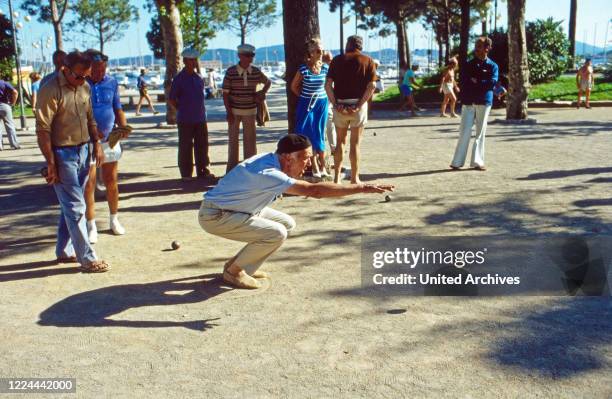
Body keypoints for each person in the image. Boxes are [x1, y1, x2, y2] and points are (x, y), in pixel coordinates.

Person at [198, 134, 394, 289]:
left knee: (287, 224)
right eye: (305, 158)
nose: (308, 164)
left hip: (239, 210)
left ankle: (239, 265)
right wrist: (361, 187)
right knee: (276, 233)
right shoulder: (270, 173)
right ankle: (234, 272)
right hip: (216, 215)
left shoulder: (271, 159)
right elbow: (314, 191)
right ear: (287, 157)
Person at [35, 50, 109, 273]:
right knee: (75, 206)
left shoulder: (84, 86)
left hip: (85, 150)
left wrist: (96, 144)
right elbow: (42, 129)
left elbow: (90, 118)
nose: (83, 80)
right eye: (79, 76)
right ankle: (87, 258)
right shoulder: (49, 89)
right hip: (62, 154)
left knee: (72, 204)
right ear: (65, 69)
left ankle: (64, 250)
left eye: (86, 76)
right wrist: (50, 162)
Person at [83, 50, 130, 243]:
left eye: (102, 70)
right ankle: (91, 224)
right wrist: (93, 132)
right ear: (89, 68)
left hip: (110, 140)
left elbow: (117, 107)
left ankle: (114, 220)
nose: (99, 74)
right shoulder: (82, 84)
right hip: (88, 140)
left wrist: (123, 126)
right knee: (90, 184)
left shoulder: (111, 82)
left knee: (112, 181)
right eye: (96, 70)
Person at [325, 35, 377, 185]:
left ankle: (336, 179)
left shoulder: (336, 61)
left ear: (347, 44)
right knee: (355, 144)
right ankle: (355, 178)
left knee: (340, 142)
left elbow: (328, 85)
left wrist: (335, 104)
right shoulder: (368, 61)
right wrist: (360, 105)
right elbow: (372, 86)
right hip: (357, 107)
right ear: (360, 45)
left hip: (340, 105)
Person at [450, 37, 499, 171]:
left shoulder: (493, 66)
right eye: (476, 45)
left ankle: (478, 162)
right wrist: (480, 82)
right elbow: (465, 82)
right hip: (468, 102)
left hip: (484, 101)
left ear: (487, 48)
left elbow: (492, 83)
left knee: (480, 132)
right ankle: (457, 162)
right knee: (464, 131)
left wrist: (477, 81)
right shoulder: (468, 64)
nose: (476, 48)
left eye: (479, 46)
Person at [222, 44, 272, 172]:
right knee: (233, 142)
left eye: (252, 55)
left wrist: (262, 92)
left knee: (250, 142)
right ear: (240, 56)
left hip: (250, 111)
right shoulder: (231, 72)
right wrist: (228, 112)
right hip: (234, 111)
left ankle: (250, 169)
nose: (251, 58)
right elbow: (225, 94)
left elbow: (268, 82)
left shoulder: (255, 71)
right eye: (248, 55)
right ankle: (231, 170)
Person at [169, 47, 214, 182]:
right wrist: (181, 109)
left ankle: (203, 170)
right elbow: (172, 99)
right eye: (191, 60)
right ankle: (186, 173)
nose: (193, 63)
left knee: (202, 145)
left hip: (200, 117)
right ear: (184, 61)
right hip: (185, 119)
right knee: (185, 146)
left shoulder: (199, 78)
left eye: (195, 60)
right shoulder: (179, 79)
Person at [290, 38, 330, 179]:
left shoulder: (325, 68)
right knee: (308, 134)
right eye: (318, 51)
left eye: (322, 50)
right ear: (311, 53)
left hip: (322, 103)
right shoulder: (303, 69)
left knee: (320, 133)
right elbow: (294, 86)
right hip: (307, 104)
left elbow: (330, 85)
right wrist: (304, 96)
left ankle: (323, 166)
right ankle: (314, 166)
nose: (321, 53)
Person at [0, 78, 20, 151]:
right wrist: (13, 103)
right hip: (5, 105)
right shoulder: (4, 83)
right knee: (10, 125)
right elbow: (15, 92)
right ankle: (14, 144)